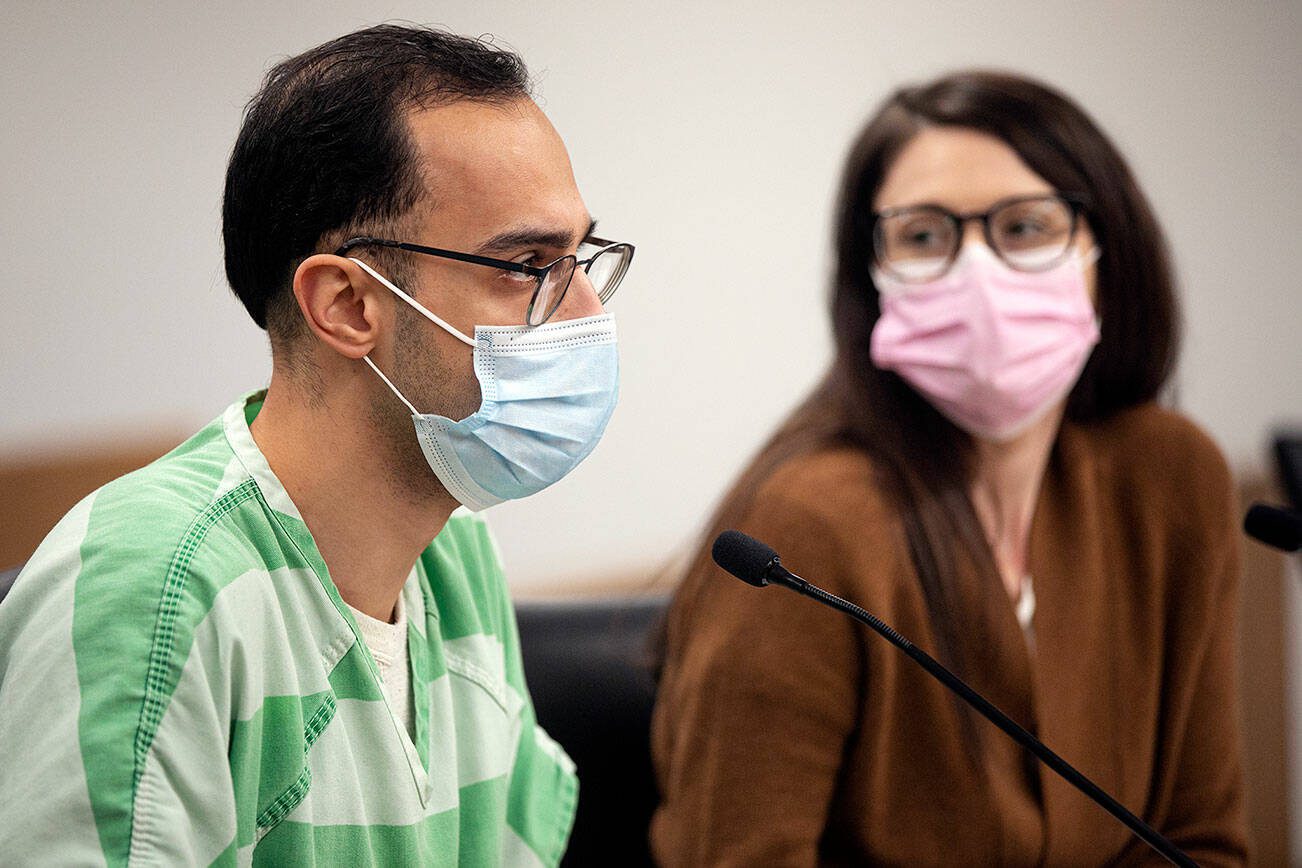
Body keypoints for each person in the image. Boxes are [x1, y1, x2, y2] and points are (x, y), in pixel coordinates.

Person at [0, 24, 632, 865]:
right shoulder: (157, 592)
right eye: (526, 265)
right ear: (346, 305)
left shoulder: (456, 559)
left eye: (581, 258)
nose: (588, 313)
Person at [651, 70, 1247, 866]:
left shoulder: (1169, 479)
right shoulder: (806, 527)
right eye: (924, 236)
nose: (980, 275)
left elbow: (1201, 842)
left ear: (1108, 248)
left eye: (1026, 227)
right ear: (870, 276)